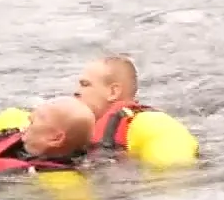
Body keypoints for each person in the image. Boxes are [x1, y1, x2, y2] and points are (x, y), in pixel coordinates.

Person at [71, 54, 199, 169]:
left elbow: (177, 171)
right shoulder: (84, 131)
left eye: (85, 84)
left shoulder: (150, 123)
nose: (76, 92)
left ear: (113, 92)